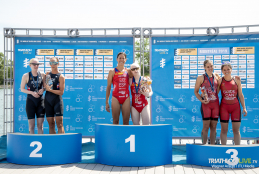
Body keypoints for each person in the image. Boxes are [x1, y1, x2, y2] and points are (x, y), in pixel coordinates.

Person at [217, 62, 247, 145]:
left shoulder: (236, 80)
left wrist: (244, 107)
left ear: (231, 70)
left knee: (236, 131)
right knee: (224, 130)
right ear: (222, 71)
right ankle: (223, 149)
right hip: (224, 108)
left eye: (228, 69)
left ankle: (238, 149)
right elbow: (215, 93)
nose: (226, 71)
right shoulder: (220, 80)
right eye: (224, 70)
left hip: (235, 108)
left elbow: (240, 94)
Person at [194, 60, 220, 144]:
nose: (210, 68)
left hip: (215, 104)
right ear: (204, 67)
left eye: (211, 66)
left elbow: (218, 89)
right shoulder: (201, 78)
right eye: (208, 67)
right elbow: (196, 91)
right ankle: (204, 146)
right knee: (205, 127)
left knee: (214, 127)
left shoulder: (216, 76)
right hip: (206, 105)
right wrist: (202, 100)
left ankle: (212, 146)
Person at [106, 52, 133, 125]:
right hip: (115, 97)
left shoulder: (129, 71)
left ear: (125, 60)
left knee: (126, 122)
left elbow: (136, 81)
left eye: (123, 58)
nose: (121, 59)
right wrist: (106, 102)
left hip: (126, 98)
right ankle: (115, 136)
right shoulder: (112, 71)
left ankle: (126, 136)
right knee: (115, 121)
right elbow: (108, 87)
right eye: (120, 58)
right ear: (117, 59)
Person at [20, 58, 45, 134]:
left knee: (40, 126)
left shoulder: (43, 75)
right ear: (30, 65)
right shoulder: (26, 75)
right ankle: (31, 142)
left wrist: (43, 89)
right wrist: (31, 93)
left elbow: (46, 86)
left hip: (40, 102)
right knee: (31, 126)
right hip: (31, 102)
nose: (36, 66)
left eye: (37, 64)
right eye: (34, 64)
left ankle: (41, 142)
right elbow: (22, 89)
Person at [44, 57, 65, 134]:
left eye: (55, 63)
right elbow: (45, 87)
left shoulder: (61, 76)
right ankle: (53, 143)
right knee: (51, 124)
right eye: (51, 63)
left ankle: (62, 143)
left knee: (59, 124)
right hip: (48, 101)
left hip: (57, 101)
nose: (53, 65)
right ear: (49, 64)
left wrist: (50, 90)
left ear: (58, 64)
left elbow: (61, 92)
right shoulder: (47, 75)